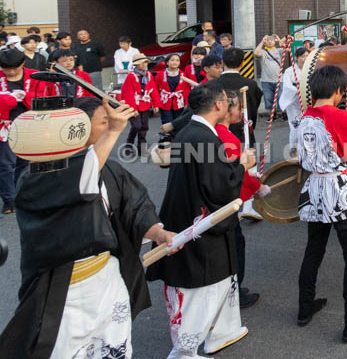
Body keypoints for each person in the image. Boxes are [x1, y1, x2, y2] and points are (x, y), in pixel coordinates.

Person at [0, 96, 179, 357]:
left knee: (115, 344)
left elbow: (135, 207)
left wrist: (158, 232)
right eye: (104, 121)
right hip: (65, 288)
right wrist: (115, 131)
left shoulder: (109, 169)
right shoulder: (36, 177)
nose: (109, 125)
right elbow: (81, 180)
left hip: (107, 275)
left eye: (110, 121)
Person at [147, 80, 251, 358]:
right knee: (199, 291)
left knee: (216, 284)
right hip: (198, 220)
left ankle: (221, 333)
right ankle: (184, 351)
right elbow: (218, 187)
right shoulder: (204, 137)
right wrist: (242, 166)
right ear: (218, 105)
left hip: (185, 212)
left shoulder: (189, 131)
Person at [295, 66, 347, 341]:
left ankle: (305, 309)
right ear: (338, 90)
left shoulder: (303, 118)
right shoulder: (341, 116)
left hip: (315, 188)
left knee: (313, 251)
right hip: (341, 190)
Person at [217, 89, 267, 309]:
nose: (241, 112)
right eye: (238, 108)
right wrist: (258, 186)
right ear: (228, 111)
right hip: (226, 203)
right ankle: (235, 292)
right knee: (235, 246)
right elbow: (234, 174)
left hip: (217, 202)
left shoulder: (216, 132)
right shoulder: (226, 137)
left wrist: (249, 173)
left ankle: (233, 288)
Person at [0, 48, 46, 213]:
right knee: (6, 164)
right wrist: (6, 99)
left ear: (23, 64)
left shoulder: (34, 75)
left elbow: (41, 96)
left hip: (28, 123)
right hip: (4, 126)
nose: (11, 72)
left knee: (25, 162)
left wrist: (24, 95)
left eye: (15, 68)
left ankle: (21, 192)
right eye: (6, 69)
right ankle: (9, 199)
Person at [220, 47, 262, 221]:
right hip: (243, 129)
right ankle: (247, 205)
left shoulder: (213, 84)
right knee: (248, 166)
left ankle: (228, 205)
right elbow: (254, 106)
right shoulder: (250, 84)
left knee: (223, 168)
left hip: (220, 132)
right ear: (243, 63)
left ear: (222, 62)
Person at [120, 53, 157, 157]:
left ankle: (142, 149)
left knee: (144, 127)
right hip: (134, 105)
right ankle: (128, 145)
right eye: (142, 63)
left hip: (145, 104)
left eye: (145, 62)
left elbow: (153, 90)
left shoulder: (148, 75)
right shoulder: (131, 76)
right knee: (136, 126)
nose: (144, 64)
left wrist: (156, 104)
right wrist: (133, 108)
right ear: (136, 65)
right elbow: (128, 93)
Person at [277, 47, 310, 155]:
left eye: (307, 56)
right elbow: (287, 86)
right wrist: (299, 90)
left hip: (307, 101)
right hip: (293, 101)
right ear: (296, 58)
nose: (305, 58)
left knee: (308, 125)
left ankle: (307, 149)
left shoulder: (311, 69)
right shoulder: (289, 71)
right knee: (296, 125)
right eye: (302, 56)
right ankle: (294, 148)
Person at [156, 53, 192, 125]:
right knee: (167, 122)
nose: (175, 62)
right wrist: (156, 104)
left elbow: (186, 90)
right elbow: (156, 89)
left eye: (177, 60)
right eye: (172, 60)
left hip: (179, 103)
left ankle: (177, 136)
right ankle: (168, 136)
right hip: (165, 102)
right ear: (167, 62)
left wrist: (186, 103)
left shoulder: (183, 74)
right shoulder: (160, 74)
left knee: (178, 123)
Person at [255, 34, 284, 115]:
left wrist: (279, 40)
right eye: (267, 40)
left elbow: (287, 48)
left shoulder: (279, 50)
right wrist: (262, 42)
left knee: (281, 98)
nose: (269, 41)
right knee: (268, 98)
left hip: (279, 80)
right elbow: (256, 53)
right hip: (266, 80)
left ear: (274, 41)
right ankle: (272, 114)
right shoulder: (263, 52)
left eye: (271, 40)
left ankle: (283, 114)